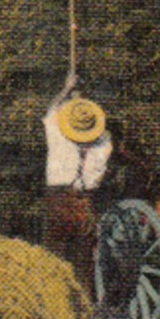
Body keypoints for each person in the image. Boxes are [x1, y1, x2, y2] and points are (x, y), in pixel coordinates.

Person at [41, 72, 113, 288]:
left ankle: (52, 299)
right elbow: (102, 131)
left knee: (52, 254)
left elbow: (51, 112)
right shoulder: (103, 144)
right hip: (83, 200)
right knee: (84, 259)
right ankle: (84, 306)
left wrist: (66, 89)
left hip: (58, 198)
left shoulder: (58, 134)